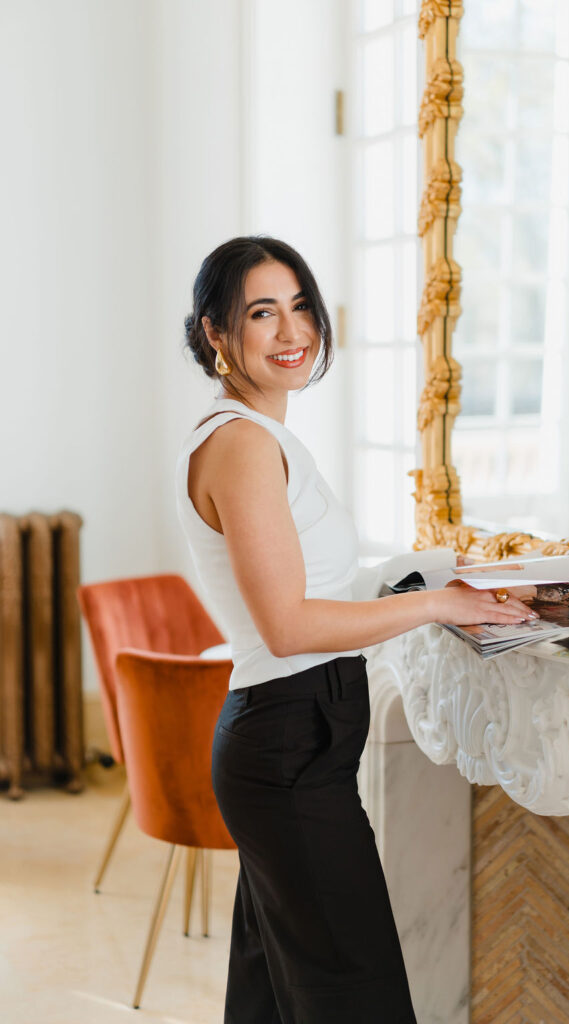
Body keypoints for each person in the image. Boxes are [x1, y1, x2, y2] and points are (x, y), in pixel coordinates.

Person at [176, 236, 537, 1024]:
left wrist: (442, 569)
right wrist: (439, 605)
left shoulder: (260, 435)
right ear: (215, 332)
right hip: (285, 746)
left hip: (293, 742)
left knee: (274, 998)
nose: (290, 330)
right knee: (356, 996)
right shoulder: (239, 444)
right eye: (261, 313)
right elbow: (288, 625)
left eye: (299, 305)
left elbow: (327, 588)